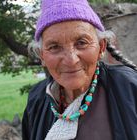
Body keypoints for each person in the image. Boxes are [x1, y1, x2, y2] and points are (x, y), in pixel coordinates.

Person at [22, 0, 137, 140]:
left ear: (101, 47)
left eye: (81, 43)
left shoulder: (129, 88)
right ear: (42, 56)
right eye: (54, 47)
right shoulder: (37, 98)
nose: (71, 60)